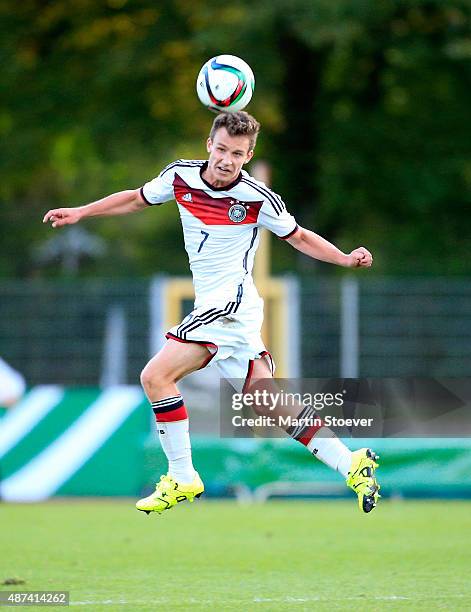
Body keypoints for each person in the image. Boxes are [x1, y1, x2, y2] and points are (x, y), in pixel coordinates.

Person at [43, 111, 380, 514]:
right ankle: (352, 463)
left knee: (155, 376)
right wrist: (81, 212)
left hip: (230, 303)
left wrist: (344, 259)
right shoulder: (180, 177)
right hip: (221, 306)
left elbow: (301, 238)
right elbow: (135, 198)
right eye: (221, 149)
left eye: (237, 153)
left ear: (249, 154)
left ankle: (183, 476)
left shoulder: (258, 198)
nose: (226, 159)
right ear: (208, 146)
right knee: (265, 400)